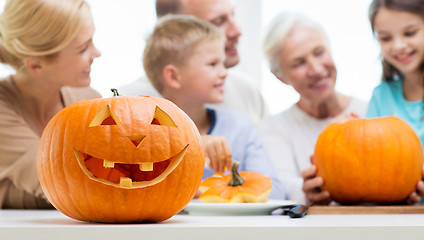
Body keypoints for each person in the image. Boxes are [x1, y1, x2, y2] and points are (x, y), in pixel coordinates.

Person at [142, 14, 285, 199]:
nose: (224, 73)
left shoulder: (240, 126)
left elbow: (275, 193)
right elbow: (140, 194)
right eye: (212, 64)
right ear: (173, 77)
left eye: (223, 63)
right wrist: (191, 146)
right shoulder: (144, 136)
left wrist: (218, 191)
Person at [258, 12, 368, 204]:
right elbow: (282, 186)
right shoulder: (272, 129)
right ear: (280, 76)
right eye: (299, 63)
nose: (316, 70)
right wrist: (305, 192)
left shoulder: (372, 112)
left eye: (319, 52)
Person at [0, 0, 101, 208]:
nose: (96, 53)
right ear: (36, 64)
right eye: (83, 48)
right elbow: (63, 183)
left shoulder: (87, 98)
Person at [119, 0, 268, 123]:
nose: (237, 31)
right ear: (175, 30)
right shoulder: (128, 106)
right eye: (218, 22)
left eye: (233, 14)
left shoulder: (247, 93)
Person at [365, 0, 424, 204]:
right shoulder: (381, 97)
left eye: (410, 33)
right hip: (398, 221)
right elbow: (370, 164)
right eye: (386, 38)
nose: (398, 46)